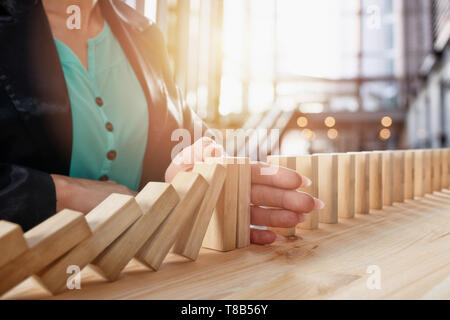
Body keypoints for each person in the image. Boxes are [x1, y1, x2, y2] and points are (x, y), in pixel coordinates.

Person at [0, 0, 324, 245]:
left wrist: (198, 180)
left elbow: (182, 139)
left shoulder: (142, 31)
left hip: (135, 275)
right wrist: (61, 193)